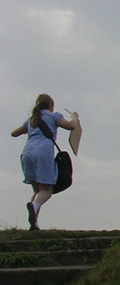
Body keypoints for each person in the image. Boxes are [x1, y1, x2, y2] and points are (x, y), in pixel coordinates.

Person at [11, 93, 80, 230]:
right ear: (51, 105)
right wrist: (75, 117)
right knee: (47, 191)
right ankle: (34, 206)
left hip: (27, 154)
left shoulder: (31, 120)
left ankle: (34, 224)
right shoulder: (54, 116)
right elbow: (71, 126)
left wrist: (27, 130)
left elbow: (14, 133)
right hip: (42, 153)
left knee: (37, 190)